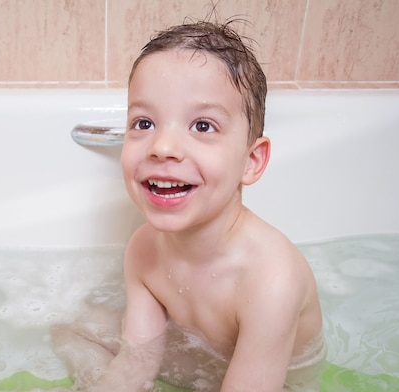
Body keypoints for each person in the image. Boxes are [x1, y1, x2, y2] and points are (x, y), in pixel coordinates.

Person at [51, 20, 326, 392]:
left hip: (275, 382)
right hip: (204, 364)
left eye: (202, 126)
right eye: (144, 122)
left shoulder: (270, 279)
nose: (162, 146)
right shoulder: (144, 249)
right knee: (70, 332)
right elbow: (137, 361)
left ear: (251, 161)